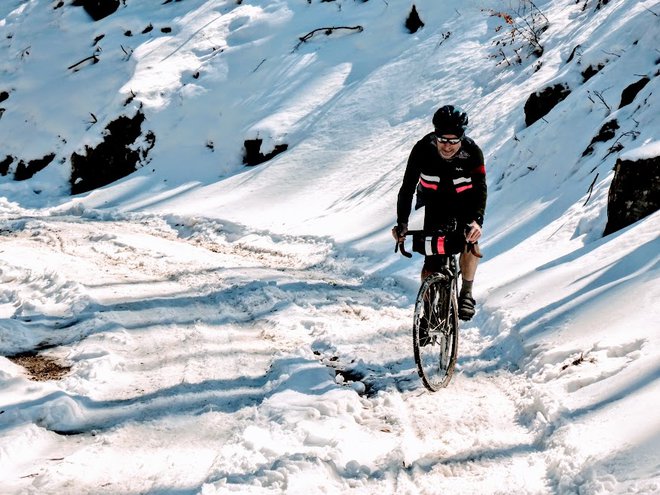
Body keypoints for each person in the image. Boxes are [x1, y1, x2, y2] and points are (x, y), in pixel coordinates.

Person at [392, 105, 487, 321]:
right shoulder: (422, 149)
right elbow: (407, 188)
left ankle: (466, 293)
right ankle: (427, 309)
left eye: (453, 141)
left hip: (465, 203)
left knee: (470, 242)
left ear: (462, 138)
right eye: (442, 139)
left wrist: (476, 222)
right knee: (430, 262)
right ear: (435, 135)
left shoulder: (472, 152)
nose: (447, 146)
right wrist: (402, 223)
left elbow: (480, 188)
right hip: (435, 203)